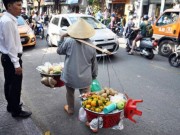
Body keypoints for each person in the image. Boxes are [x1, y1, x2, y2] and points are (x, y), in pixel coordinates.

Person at [57, 18, 98, 115]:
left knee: (70, 93)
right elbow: (94, 64)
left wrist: (62, 37)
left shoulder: (69, 41)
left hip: (70, 76)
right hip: (85, 78)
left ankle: (70, 109)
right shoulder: (92, 45)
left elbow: (59, 51)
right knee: (86, 97)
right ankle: (88, 115)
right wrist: (94, 75)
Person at [0, 0, 32, 118]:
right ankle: (16, 111)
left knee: (9, 83)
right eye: (18, 5)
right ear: (9, 6)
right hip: (11, 58)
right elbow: (10, 45)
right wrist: (16, 64)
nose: (21, 8)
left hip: (7, 58)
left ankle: (11, 106)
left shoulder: (8, 19)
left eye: (21, 5)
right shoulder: (8, 21)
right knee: (15, 85)